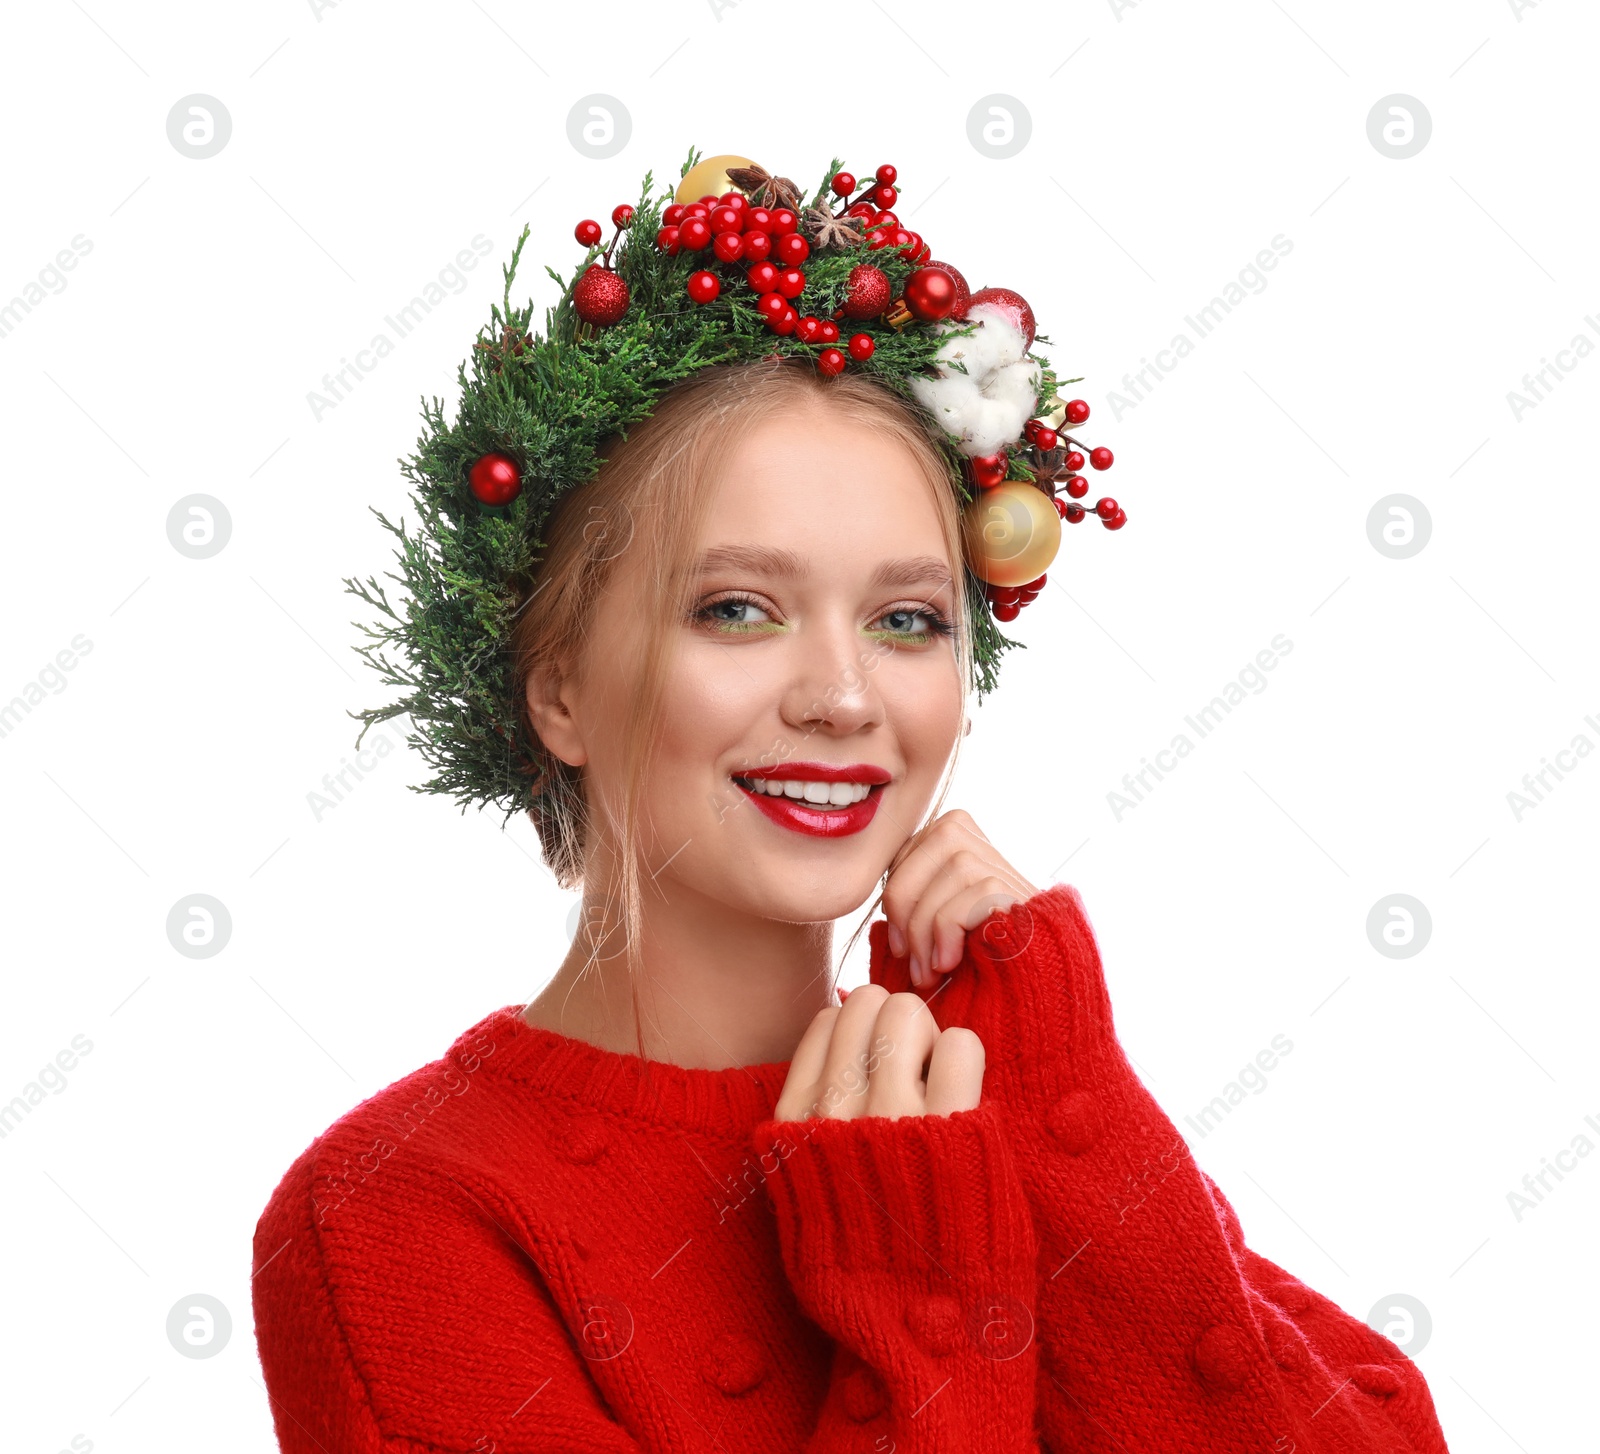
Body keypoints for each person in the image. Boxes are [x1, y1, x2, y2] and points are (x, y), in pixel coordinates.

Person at [252, 152, 1451, 1453]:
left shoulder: (1001, 1102)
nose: (841, 695)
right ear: (557, 691)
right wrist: (925, 1326)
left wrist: (1063, 1091)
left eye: (905, 618)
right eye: (738, 608)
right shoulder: (391, 1218)